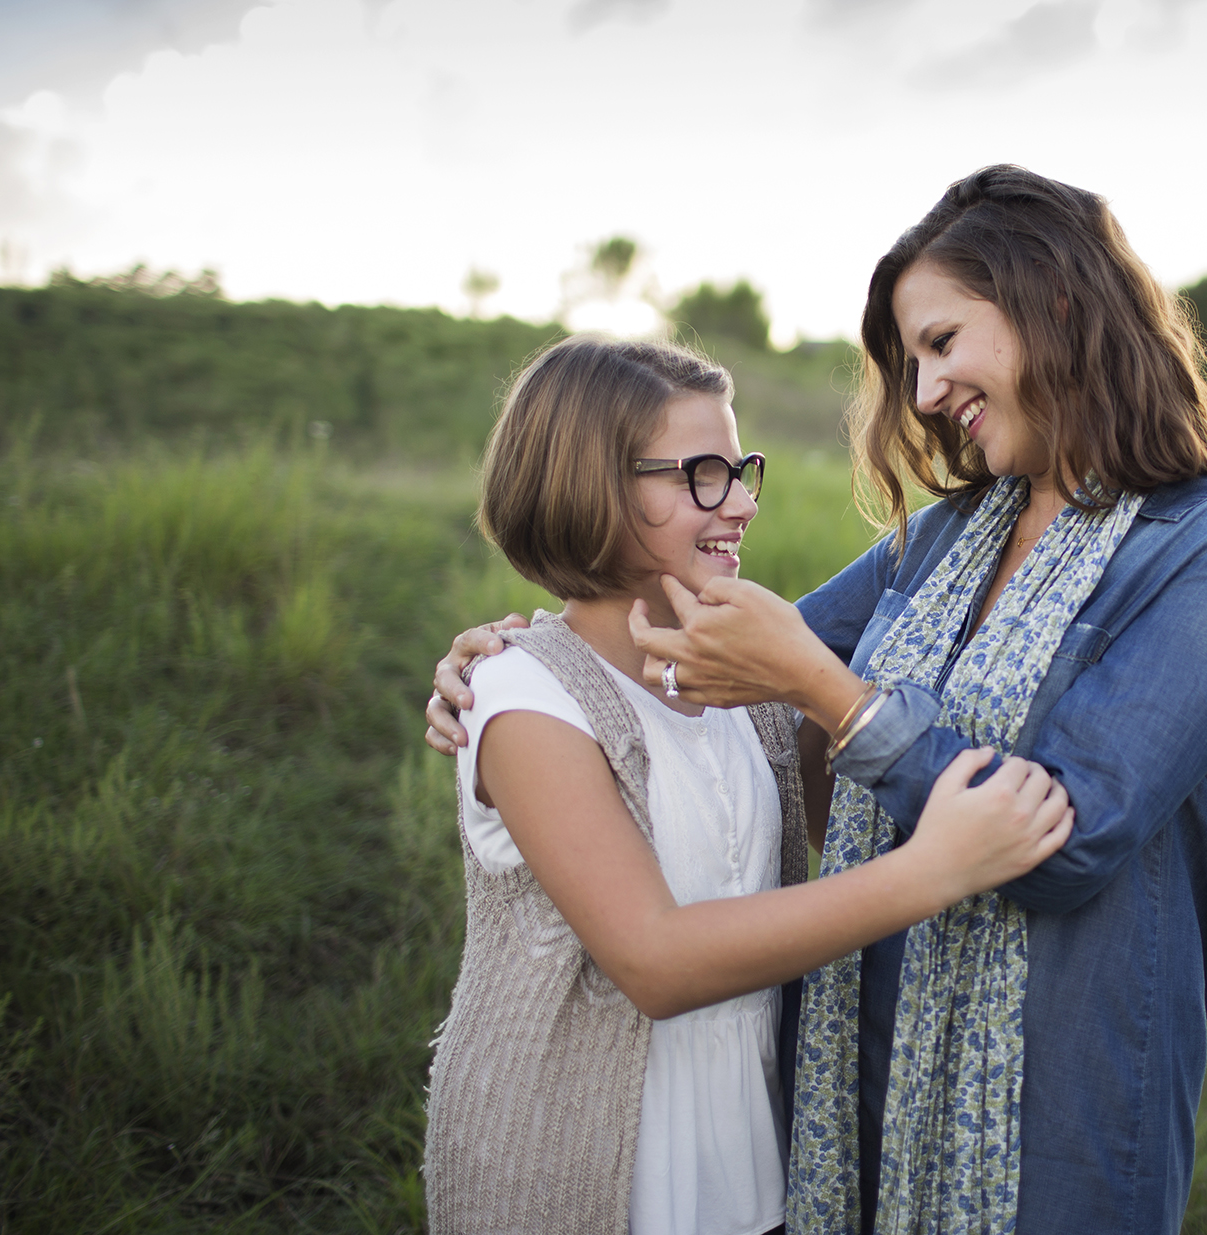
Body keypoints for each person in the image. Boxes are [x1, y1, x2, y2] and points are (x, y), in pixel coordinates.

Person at [429, 165, 1207, 1233]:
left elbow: (1065, 840)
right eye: (911, 361)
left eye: (941, 342)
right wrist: (516, 658)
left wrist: (833, 698)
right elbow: (686, 663)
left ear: (1056, 303)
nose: (925, 393)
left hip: (1053, 1097)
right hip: (860, 1063)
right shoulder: (951, 534)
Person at [421, 332, 1075, 1235]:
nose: (739, 502)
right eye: (700, 475)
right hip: (570, 1175)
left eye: (740, 470)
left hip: (754, 1176)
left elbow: (846, 824)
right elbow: (655, 961)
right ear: (586, 484)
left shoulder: (744, 689)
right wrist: (935, 871)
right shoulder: (521, 693)